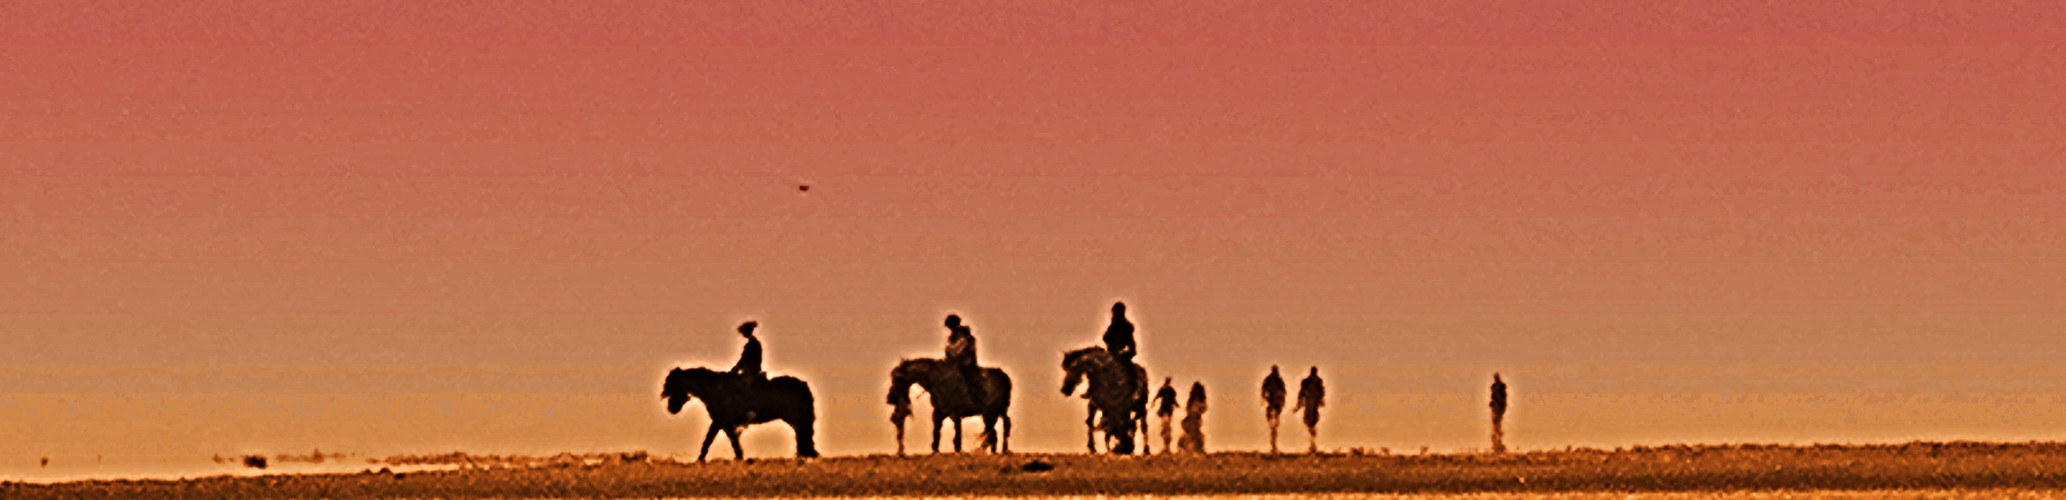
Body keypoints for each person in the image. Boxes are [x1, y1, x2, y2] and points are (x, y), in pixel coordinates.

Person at [943, 314, 986, 403]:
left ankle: (977, 397)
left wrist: (949, 351)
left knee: (967, 376)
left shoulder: (963, 334)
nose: (949, 328)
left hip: (966, 362)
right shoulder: (952, 336)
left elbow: (959, 348)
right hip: (956, 362)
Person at [1292, 366, 1325, 454]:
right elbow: (1302, 393)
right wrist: (1298, 406)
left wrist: (1298, 406)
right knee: (1311, 423)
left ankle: (1312, 444)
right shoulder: (1313, 382)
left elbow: (1302, 394)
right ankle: (1312, 443)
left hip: (1311, 405)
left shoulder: (1315, 382)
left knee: (1310, 423)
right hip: (1312, 405)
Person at [1261, 365, 1288, 454]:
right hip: (1273, 404)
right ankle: (1273, 445)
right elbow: (1283, 392)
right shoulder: (1274, 380)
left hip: (1275, 405)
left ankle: (1273, 445)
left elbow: (1283, 392)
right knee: (1273, 424)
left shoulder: (1275, 380)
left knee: (1273, 424)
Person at [730, 321, 765, 388]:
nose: (743, 334)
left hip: (750, 370)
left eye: (743, 332)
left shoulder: (751, 344)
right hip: (752, 369)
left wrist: (736, 368)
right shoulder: (755, 342)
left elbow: (744, 358)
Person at [1179, 381, 1208, 453]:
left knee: (1195, 435)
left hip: (1194, 420)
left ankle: (1194, 449)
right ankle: (1191, 449)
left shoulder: (1194, 401)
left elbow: (1203, 408)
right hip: (1192, 420)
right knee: (1193, 435)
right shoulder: (1196, 401)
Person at [1152, 377, 1179, 453]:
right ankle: (1166, 446)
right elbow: (1156, 397)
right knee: (1165, 426)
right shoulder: (1168, 390)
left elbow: (1173, 400)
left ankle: (1167, 446)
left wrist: (1153, 403)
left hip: (1166, 410)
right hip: (1165, 409)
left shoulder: (1168, 390)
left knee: (1166, 426)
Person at [1490, 373, 1509, 453]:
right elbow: (1492, 396)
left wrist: (1502, 404)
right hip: (1495, 406)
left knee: (1498, 424)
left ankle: (1498, 442)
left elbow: (1503, 397)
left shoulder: (1501, 387)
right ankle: (1496, 443)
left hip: (1499, 406)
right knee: (1495, 424)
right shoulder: (1493, 387)